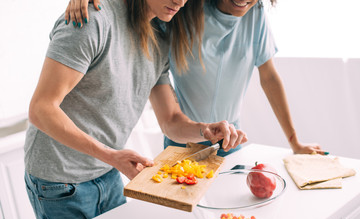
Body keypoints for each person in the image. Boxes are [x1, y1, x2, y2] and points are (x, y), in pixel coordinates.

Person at [25, 0, 247, 219]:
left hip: (107, 170)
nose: (180, 1)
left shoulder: (159, 41)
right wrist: (111, 156)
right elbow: (41, 109)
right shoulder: (93, 20)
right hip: (59, 181)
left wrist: (205, 130)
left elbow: (170, 120)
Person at [65, 0, 329, 157]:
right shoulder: (181, 9)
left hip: (231, 139)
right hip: (183, 140)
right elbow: (136, 8)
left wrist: (294, 142)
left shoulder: (256, 13)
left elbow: (269, 78)